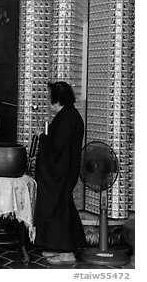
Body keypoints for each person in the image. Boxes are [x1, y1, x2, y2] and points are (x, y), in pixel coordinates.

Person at [34, 81, 87, 265]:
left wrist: (41, 136)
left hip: (62, 171)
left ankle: (67, 252)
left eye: (51, 99)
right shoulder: (69, 115)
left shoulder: (67, 118)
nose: (49, 103)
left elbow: (58, 148)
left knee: (60, 206)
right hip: (66, 169)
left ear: (57, 100)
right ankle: (70, 243)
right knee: (64, 204)